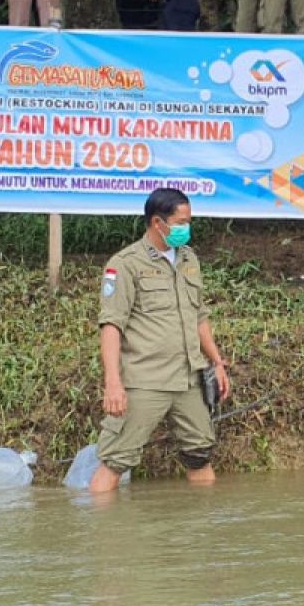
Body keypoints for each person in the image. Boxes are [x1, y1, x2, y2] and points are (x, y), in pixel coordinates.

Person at [90, 189, 232, 492]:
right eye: (181, 222)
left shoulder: (188, 258)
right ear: (158, 222)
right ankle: (100, 536)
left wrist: (217, 362)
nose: (187, 228)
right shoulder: (125, 264)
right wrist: (113, 383)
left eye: (188, 222)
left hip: (188, 380)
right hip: (145, 380)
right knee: (115, 460)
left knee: (200, 456)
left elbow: (199, 317)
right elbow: (111, 325)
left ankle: (199, 533)